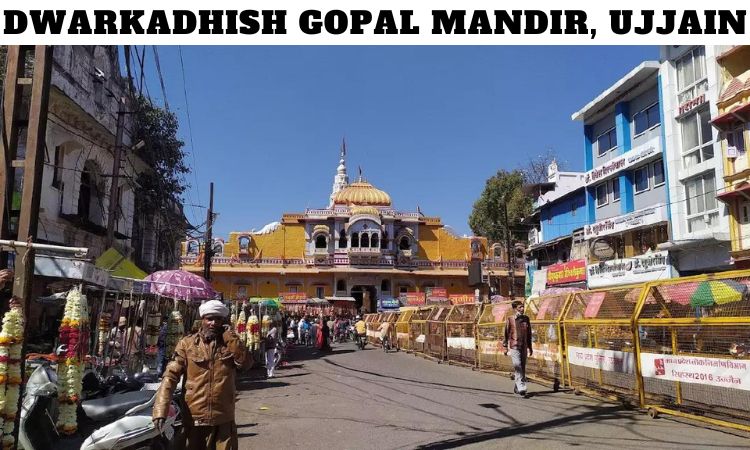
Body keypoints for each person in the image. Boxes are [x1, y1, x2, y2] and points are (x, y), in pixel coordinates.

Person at [153, 300, 250, 450]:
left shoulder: (230, 344)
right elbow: (170, 377)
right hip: (194, 419)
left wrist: (231, 339)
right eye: (209, 318)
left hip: (223, 419)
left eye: (218, 319)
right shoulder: (187, 344)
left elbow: (246, 364)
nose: (213, 323)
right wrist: (161, 408)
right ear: (202, 320)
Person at [504, 300, 533, 397]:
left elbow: (529, 334)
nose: (522, 309)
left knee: (523, 367)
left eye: (523, 307)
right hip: (514, 346)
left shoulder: (526, 319)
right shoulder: (510, 319)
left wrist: (530, 347)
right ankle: (521, 386)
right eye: (520, 307)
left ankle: (517, 386)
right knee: (517, 366)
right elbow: (506, 333)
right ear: (515, 308)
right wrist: (505, 347)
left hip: (524, 346)